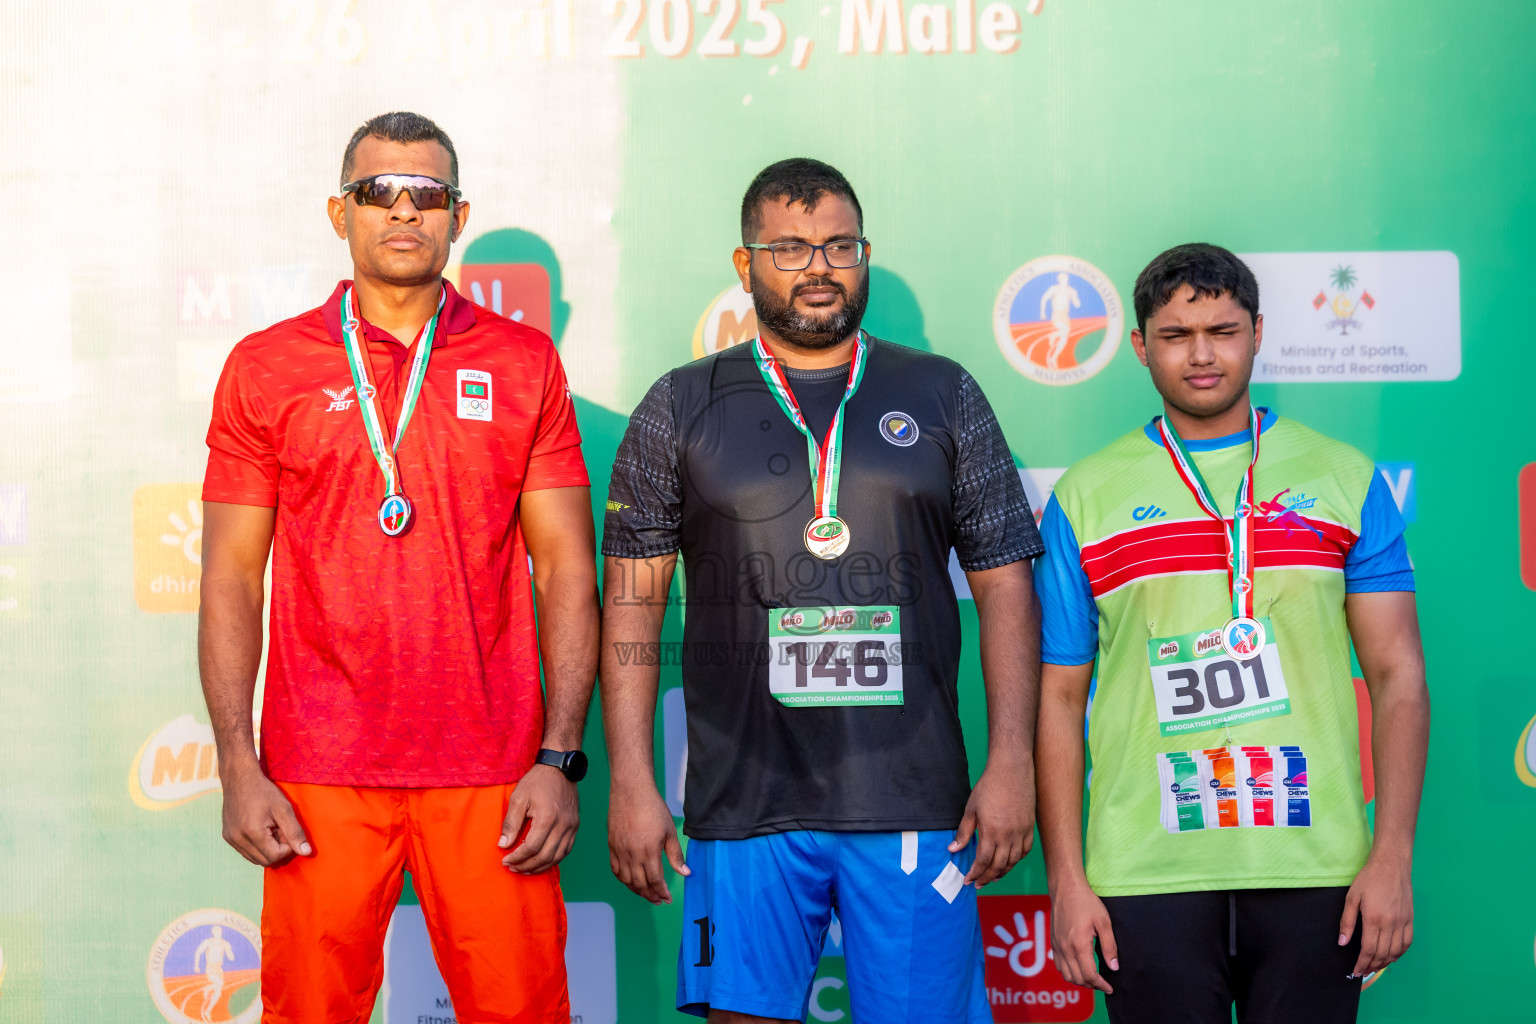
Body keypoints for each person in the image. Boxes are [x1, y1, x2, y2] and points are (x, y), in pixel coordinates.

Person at [601, 157, 1044, 1023]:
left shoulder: (943, 390)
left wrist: (1013, 761)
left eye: (840, 245)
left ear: (864, 253)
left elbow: (1007, 591)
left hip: (916, 802)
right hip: (741, 805)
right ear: (745, 264)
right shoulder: (680, 404)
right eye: (791, 247)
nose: (819, 268)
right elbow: (632, 602)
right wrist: (630, 780)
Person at [198, 111, 598, 1024]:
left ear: (459, 214)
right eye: (380, 192)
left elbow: (567, 569)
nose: (404, 211)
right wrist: (236, 763)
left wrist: (560, 758)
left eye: (428, 194)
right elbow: (230, 577)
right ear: (339, 212)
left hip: (494, 770)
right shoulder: (267, 367)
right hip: (316, 769)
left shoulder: (523, 359)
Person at [1034, 243, 1429, 1023]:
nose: (1203, 354)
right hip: (1145, 872)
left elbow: (1398, 678)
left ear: (1258, 331)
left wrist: (1392, 856)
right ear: (1141, 346)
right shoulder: (1085, 495)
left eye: (1223, 329)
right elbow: (1057, 697)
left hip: (1316, 867)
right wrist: (1067, 879)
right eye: (1177, 336)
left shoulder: (1344, 478)